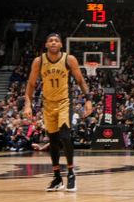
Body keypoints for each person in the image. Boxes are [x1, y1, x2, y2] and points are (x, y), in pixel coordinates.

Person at [23, 33, 92, 191]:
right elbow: (31, 84)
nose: (53, 43)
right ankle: (57, 178)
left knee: (66, 136)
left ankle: (71, 173)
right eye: (50, 41)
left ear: (61, 45)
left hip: (64, 102)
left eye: (56, 41)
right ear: (46, 45)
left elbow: (80, 80)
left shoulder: (69, 59)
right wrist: (28, 104)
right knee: (53, 142)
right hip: (48, 104)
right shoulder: (39, 61)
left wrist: (88, 99)